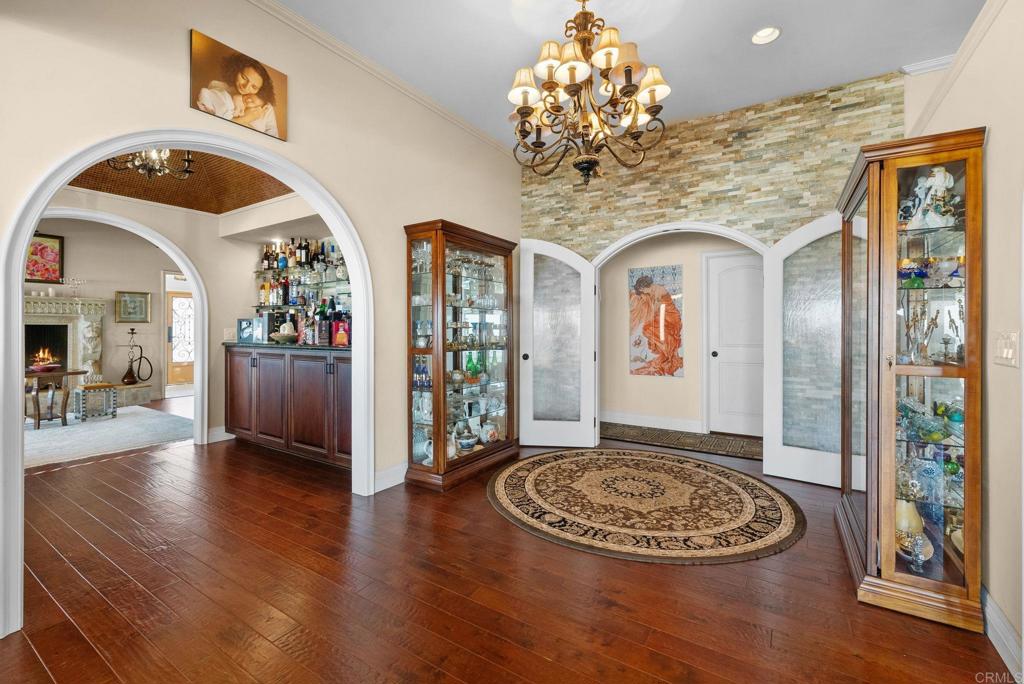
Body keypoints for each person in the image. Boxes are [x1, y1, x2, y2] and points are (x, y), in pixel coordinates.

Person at [196, 52, 279, 137]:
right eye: (244, 78)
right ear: (236, 69)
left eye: (254, 87)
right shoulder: (217, 87)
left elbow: (273, 141)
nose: (245, 87)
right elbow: (213, 130)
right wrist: (247, 118)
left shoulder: (266, 108)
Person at [629, 274, 683, 376]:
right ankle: (664, 350)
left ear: (644, 287)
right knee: (647, 327)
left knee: (654, 330)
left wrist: (649, 313)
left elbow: (657, 306)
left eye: (642, 290)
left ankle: (667, 352)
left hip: (670, 316)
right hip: (662, 313)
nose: (643, 292)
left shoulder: (659, 290)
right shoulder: (652, 290)